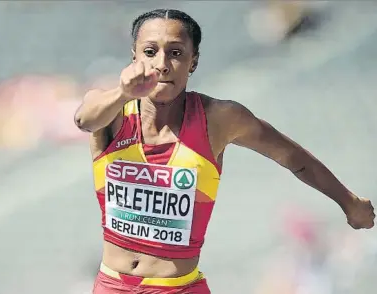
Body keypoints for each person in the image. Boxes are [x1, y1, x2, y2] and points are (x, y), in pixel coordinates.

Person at [74, 8, 375, 294]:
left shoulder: (218, 118)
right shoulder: (111, 109)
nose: (162, 63)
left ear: (193, 61)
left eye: (176, 53)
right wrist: (124, 92)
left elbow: (292, 157)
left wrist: (348, 201)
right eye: (150, 52)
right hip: (112, 286)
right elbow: (84, 119)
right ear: (135, 57)